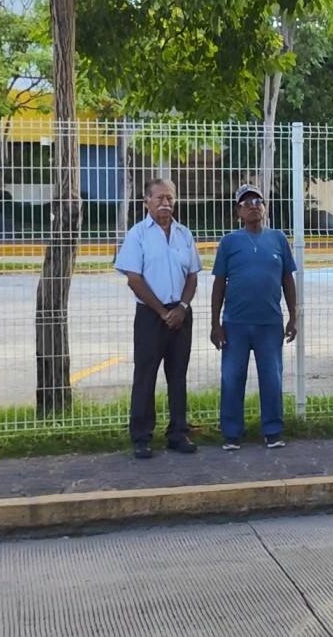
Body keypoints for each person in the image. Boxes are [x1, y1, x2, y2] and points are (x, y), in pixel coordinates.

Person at [115, 177, 202, 459]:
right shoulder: (137, 234)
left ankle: (178, 433)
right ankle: (141, 437)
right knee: (145, 376)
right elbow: (133, 279)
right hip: (151, 316)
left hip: (180, 314)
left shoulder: (184, 234)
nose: (165, 204)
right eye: (159, 198)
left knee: (178, 376)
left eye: (170, 198)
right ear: (146, 203)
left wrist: (183, 307)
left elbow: (192, 276)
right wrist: (163, 312)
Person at [210, 184, 299, 450]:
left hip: (269, 323)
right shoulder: (229, 242)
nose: (253, 206)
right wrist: (215, 324)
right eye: (246, 203)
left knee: (272, 377)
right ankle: (231, 434)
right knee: (232, 377)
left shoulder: (278, 239)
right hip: (235, 323)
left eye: (257, 201)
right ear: (238, 211)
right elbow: (219, 284)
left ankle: (272, 431)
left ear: (265, 207)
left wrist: (293, 317)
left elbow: (287, 279)